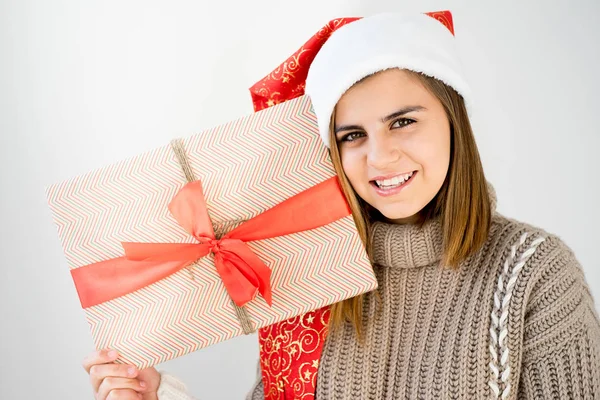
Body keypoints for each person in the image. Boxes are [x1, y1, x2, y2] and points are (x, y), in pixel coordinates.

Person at [81, 11, 600, 399]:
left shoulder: (534, 274)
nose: (381, 156)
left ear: (453, 120)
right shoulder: (311, 266)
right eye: (352, 135)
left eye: (403, 121)